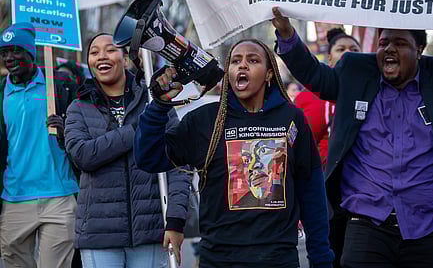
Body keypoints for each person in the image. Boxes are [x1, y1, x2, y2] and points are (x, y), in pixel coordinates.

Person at [271, 7, 433, 268]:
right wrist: (287, 34)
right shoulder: (355, 71)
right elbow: (316, 75)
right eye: (384, 42)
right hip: (367, 222)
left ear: (421, 50)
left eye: (400, 43)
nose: (389, 49)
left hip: (432, 224)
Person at [134, 38, 334, 268]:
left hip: (278, 259)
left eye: (253, 60)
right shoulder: (205, 120)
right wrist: (158, 107)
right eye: (235, 61)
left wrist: (321, 258)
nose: (242, 65)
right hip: (219, 259)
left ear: (269, 74)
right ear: (228, 72)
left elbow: (312, 192)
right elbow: (149, 158)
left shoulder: (292, 119)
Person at [64, 33, 190, 268]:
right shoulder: (78, 107)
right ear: (89, 62)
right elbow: (83, 156)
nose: (102, 56)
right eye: (94, 52)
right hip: (99, 235)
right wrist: (140, 128)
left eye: (110, 49)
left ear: (125, 58)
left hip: (151, 232)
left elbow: (179, 164)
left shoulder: (156, 102)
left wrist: (175, 220)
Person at [0, 22, 79, 268]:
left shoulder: (61, 86)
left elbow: (85, 131)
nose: (9, 57)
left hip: (60, 197)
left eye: (16, 50)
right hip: (14, 199)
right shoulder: (1, 92)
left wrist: (68, 132)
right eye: (4, 52)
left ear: (31, 53)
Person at [294, 28, 360, 268]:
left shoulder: (374, 91)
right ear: (329, 57)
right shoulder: (309, 97)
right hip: (324, 191)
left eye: (354, 50)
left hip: (362, 192)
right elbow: (298, 148)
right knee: (326, 254)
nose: (348, 54)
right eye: (341, 49)